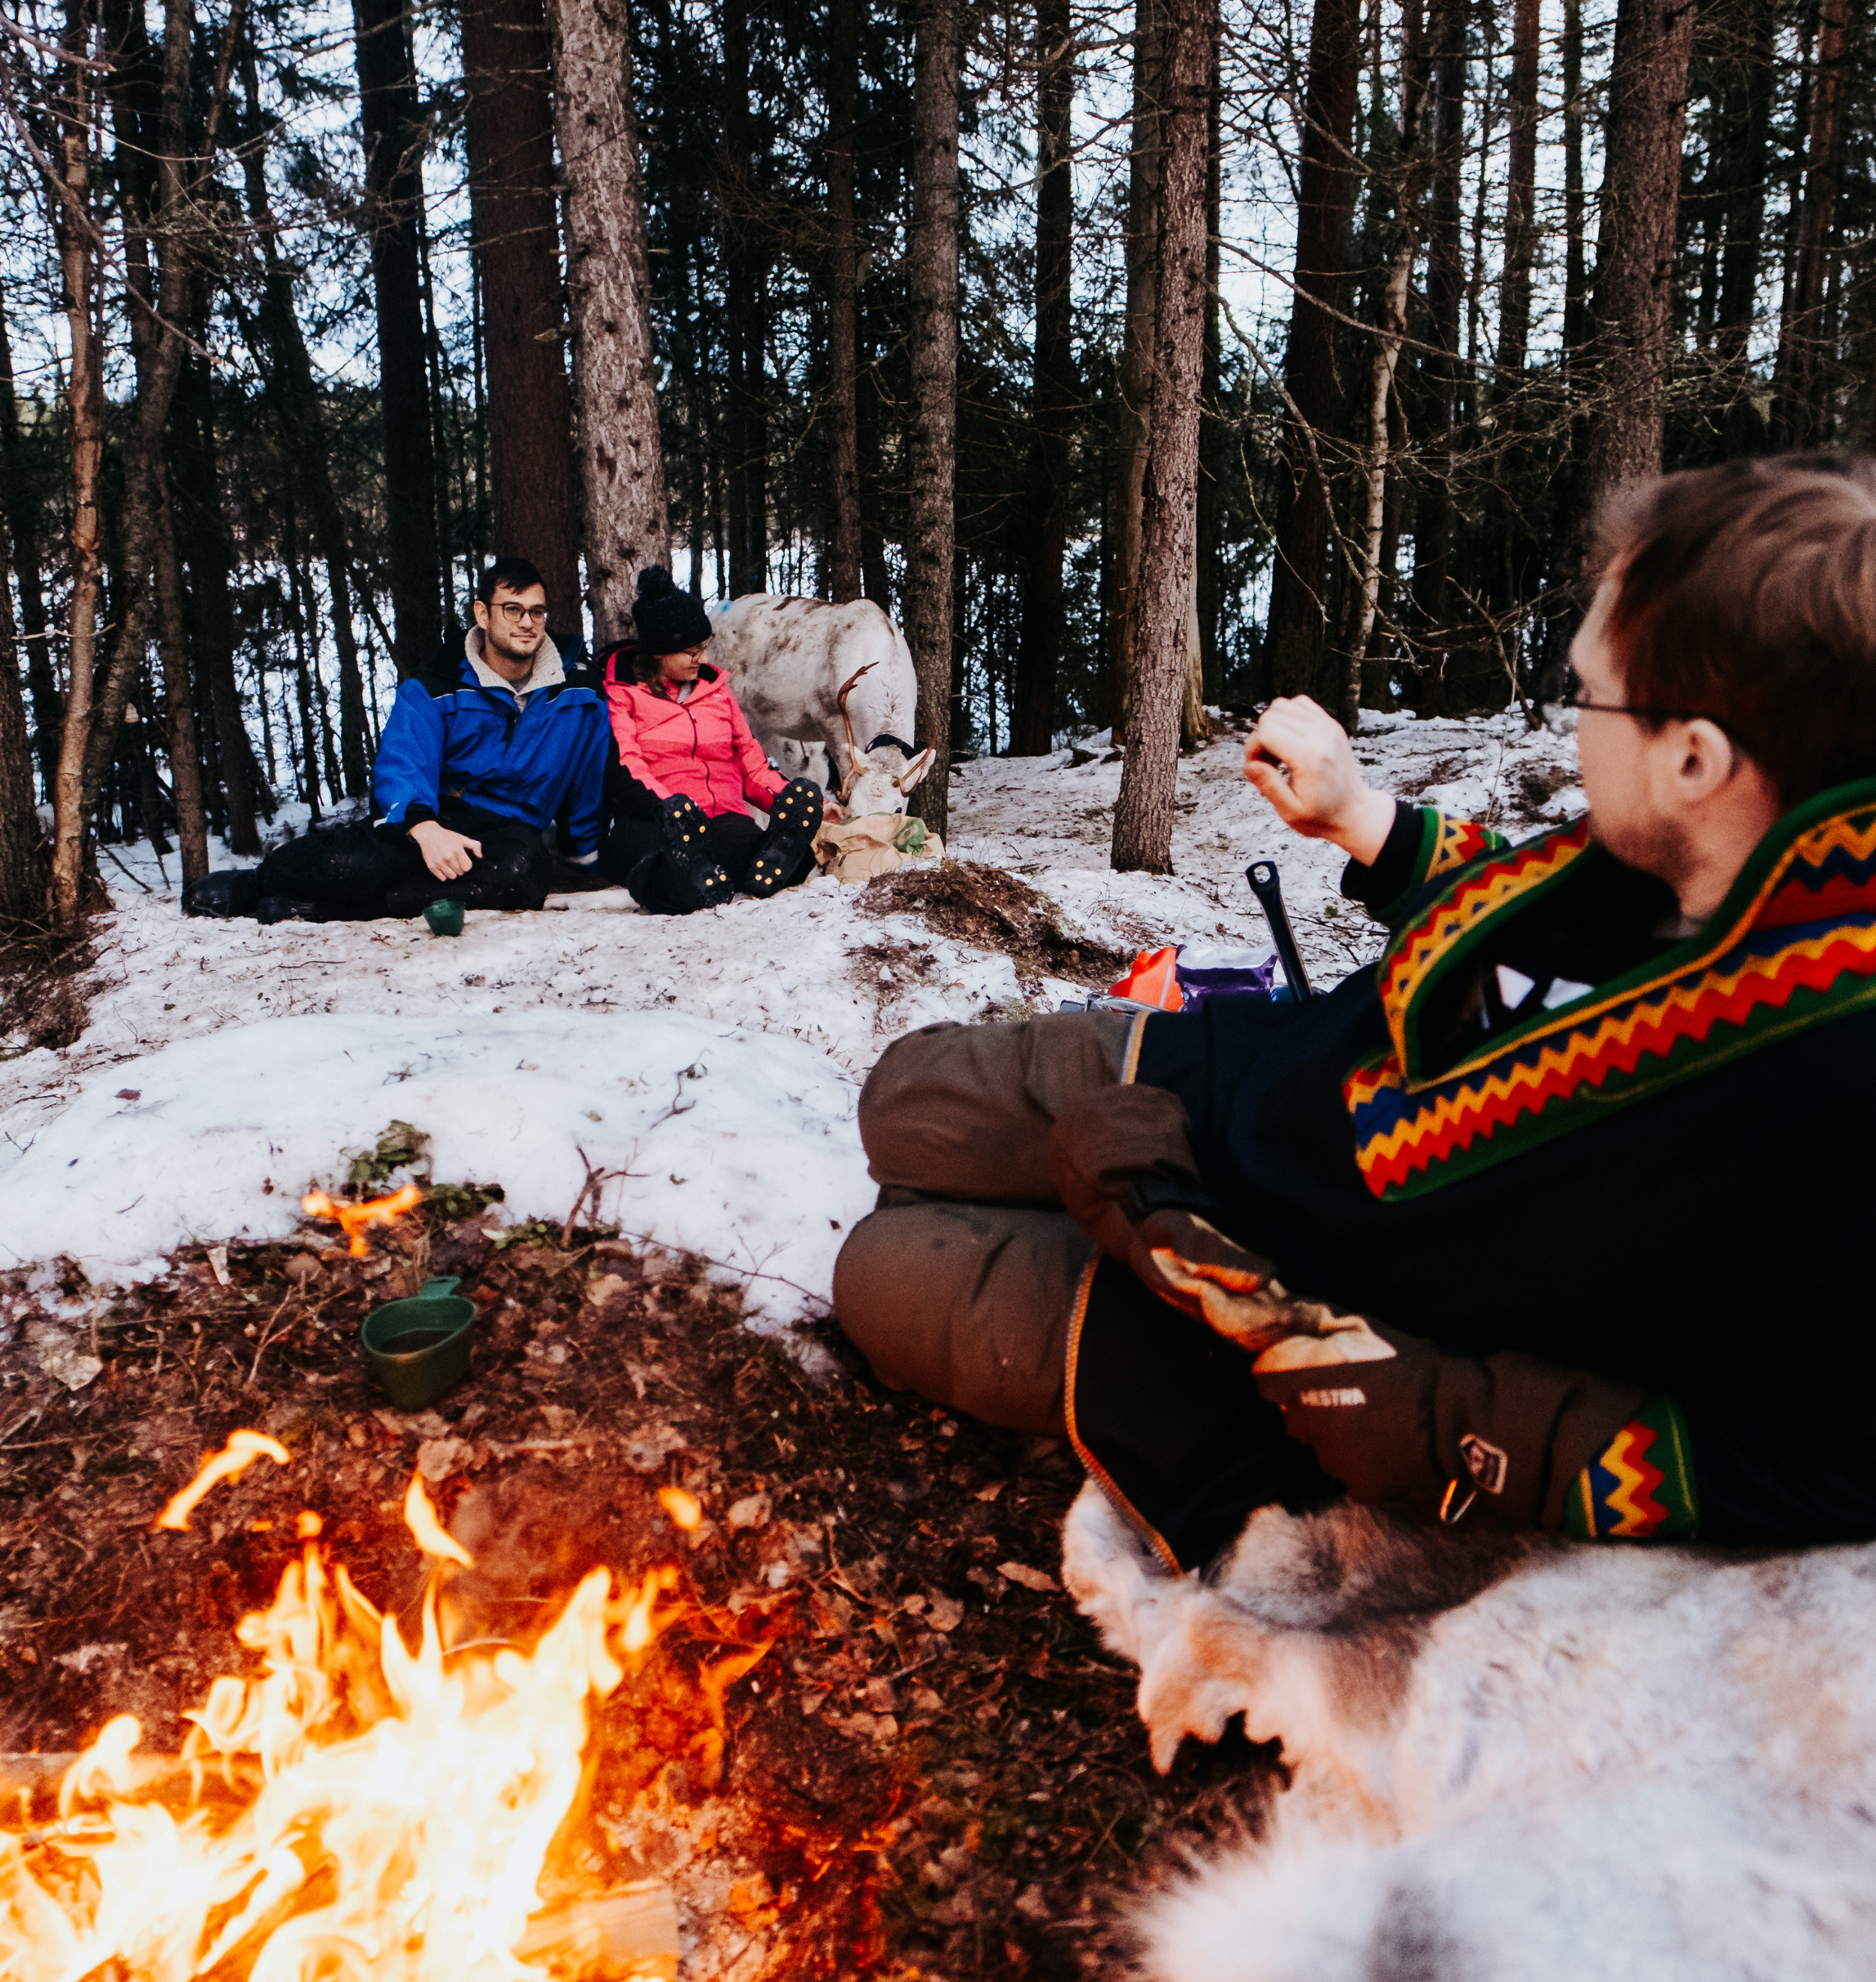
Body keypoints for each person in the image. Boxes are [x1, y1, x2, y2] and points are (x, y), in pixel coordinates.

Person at [833, 454, 1876, 1568]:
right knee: (904, 1098)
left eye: (1586, 693)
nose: (1572, 722)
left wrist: (1446, 1419)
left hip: (1288, 1325)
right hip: (1256, 1081)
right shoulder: (1725, 846)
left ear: (1691, 758)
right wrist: (1363, 820)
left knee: (876, 1271)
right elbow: (1533, 921)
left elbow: (1833, 1460)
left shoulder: (1825, 1090)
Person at [185, 557, 608, 924]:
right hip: (435, 817)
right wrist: (424, 827)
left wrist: (584, 855)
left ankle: (329, 910)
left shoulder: (580, 695)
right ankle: (251, 886)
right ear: (482, 613)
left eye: (537, 612)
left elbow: (588, 778)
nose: (526, 623)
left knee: (522, 875)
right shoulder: (435, 687)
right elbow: (404, 765)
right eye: (512, 609)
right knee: (355, 863)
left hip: (509, 834)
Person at [598, 565, 835, 914]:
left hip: (721, 815)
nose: (703, 659)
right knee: (662, 868)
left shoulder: (717, 693)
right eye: (692, 652)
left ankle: (774, 858)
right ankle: (688, 877)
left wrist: (784, 799)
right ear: (659, 652)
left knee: (745, 846)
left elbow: (751, 765)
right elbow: (628, 767)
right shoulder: (624, 695)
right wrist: (673, 811)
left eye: (704, 648)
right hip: (655, 820)